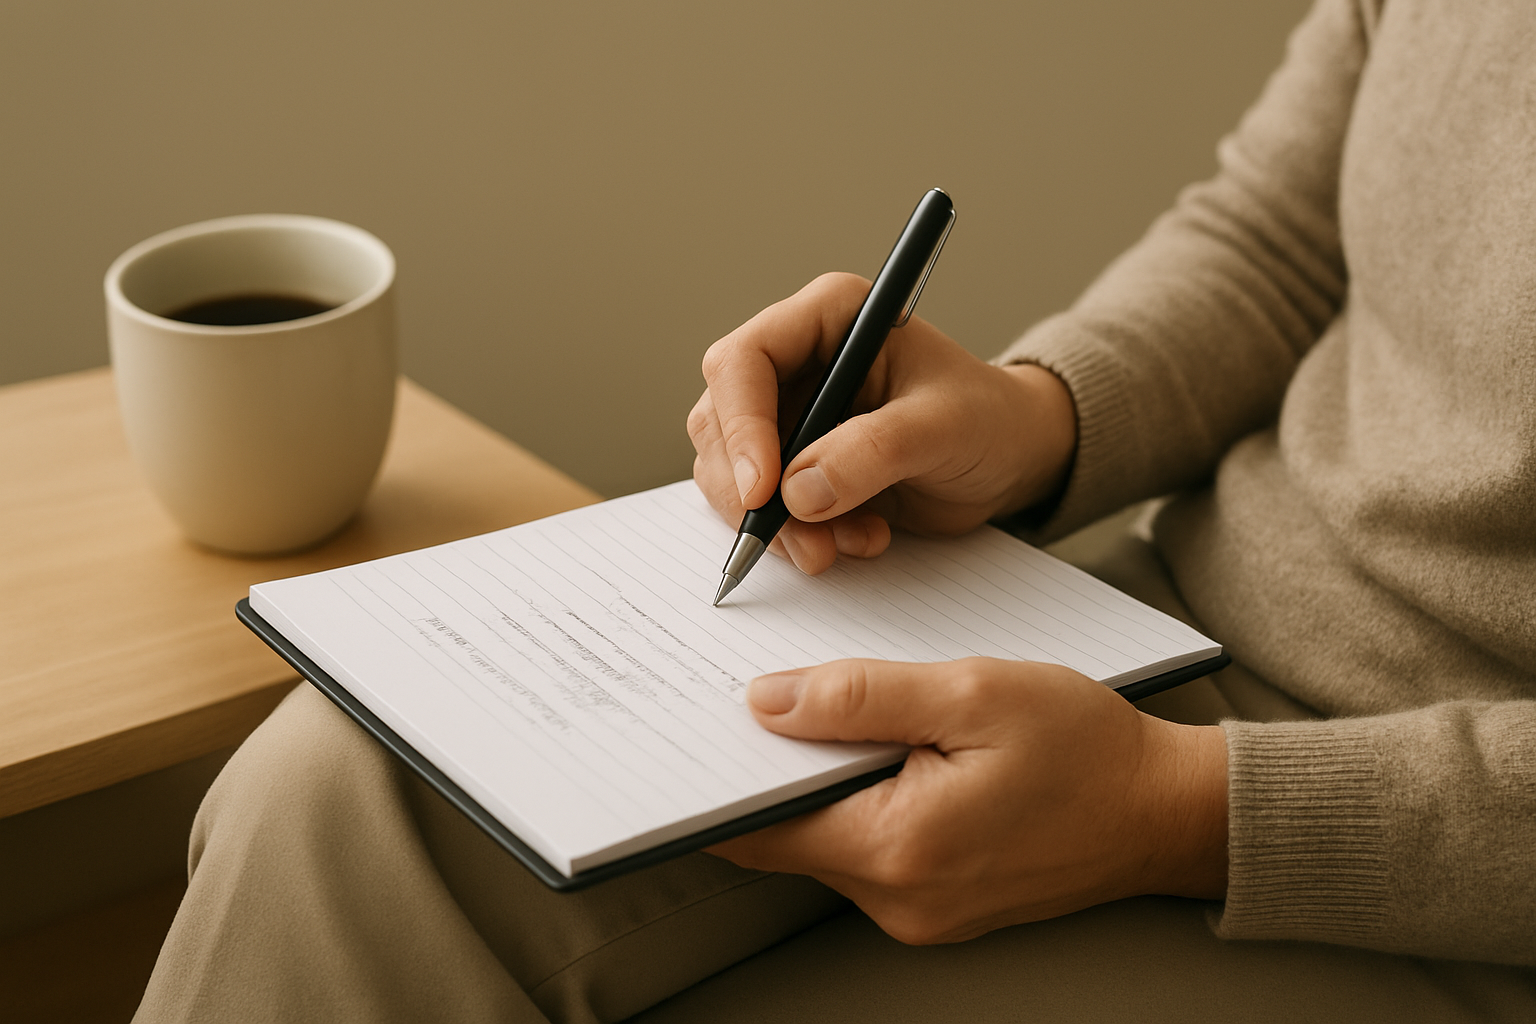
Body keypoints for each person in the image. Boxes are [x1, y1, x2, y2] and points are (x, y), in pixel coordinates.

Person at [135, 0, 1536, 1020]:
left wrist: (1187, 817)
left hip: (1427, 859)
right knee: (331, 791)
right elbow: (1280, 240)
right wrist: (1034, 417)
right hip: (1158, 632)